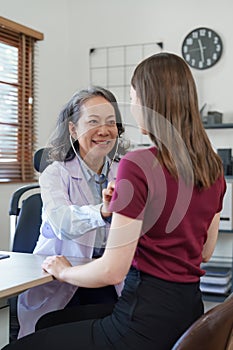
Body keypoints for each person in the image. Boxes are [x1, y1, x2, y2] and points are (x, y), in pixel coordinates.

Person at [4, 53, 226, 350]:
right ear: (73, 129)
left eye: (132, 98)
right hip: (185, 311)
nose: (131, 108)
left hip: (138, 316)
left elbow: (113, 270)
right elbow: (206, 251)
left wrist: (63, 271)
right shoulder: (212, 166)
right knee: (50, 325)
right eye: (93, 121)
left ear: (148, 103)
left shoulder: (135, 165)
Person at [15, 86, 126, 339]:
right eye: (93, 122)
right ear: (73, 129)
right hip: (60, 281)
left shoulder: (124, 172)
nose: (104, 130)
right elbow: (61, 221)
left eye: (111, 122)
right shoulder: (55, 173)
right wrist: (102, 210)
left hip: (107, 278)